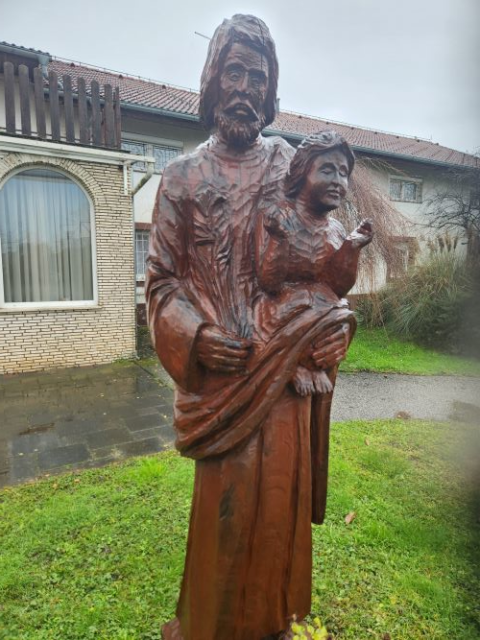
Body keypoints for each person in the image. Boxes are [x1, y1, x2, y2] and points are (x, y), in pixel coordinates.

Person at [146, 15, 354, 640]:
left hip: (286, 384)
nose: (244, 88)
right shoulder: (181, 177)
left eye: (257, 77)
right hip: (222, 384)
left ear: (270, 92)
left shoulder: (296, 165)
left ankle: (270, 627)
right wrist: (197, 339)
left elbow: (329, 261)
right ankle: (206, 627)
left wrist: (338, 329)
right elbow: (160, 284)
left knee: (277, 512)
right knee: (227, 516)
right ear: (212, 81)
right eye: (232, 72)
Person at [255, 131, 373, 398]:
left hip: (321, 321)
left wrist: (351, 247)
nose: (337, 181)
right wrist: (279, 239)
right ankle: (290, 365)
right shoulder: (280, 215)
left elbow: (336, 287)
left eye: (343, 173)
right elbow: (268, 283)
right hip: (279, 319)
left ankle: (313, 364)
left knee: (329, 304)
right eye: (327, 170)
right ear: (302, 172)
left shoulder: (336, 228)